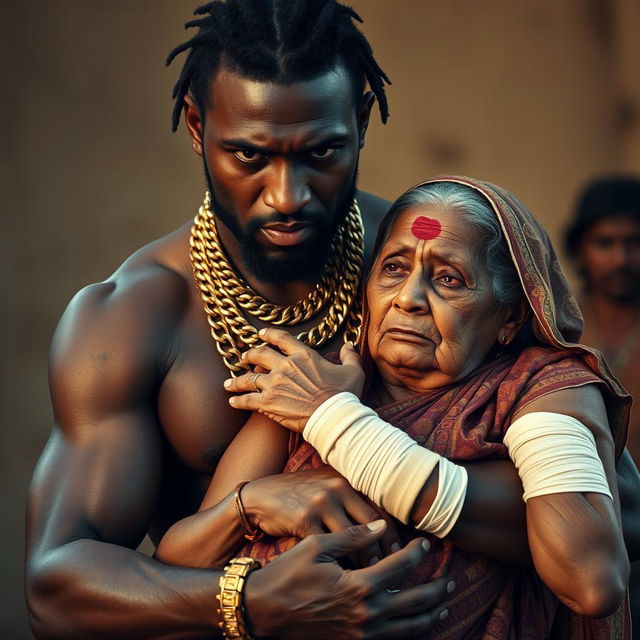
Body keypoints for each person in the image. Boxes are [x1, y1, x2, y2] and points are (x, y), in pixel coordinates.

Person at [24, 0, 638, 637]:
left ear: (362, 122)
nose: (288, 196)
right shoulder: (129, 319)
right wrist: (252, 592)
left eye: (322, 153)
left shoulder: (413, 262)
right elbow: (57, 589)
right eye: (250, 157)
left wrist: (371, 459)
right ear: (196, 126)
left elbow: (620, 516)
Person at [217, 177, 633, 638]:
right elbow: (182, 560)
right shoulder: (310, 382)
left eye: (448, 279)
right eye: (393, 268)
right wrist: (248, 504)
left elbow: (592, 582)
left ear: (511, 316)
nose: (409, 298)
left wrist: (336, 422)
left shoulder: (540, 387)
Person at [564, 176, 640, 640]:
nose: (621, 258)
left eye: (634, 242)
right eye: (605, 243)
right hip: (587, 539)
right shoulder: (562, 329)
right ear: (582, 249)